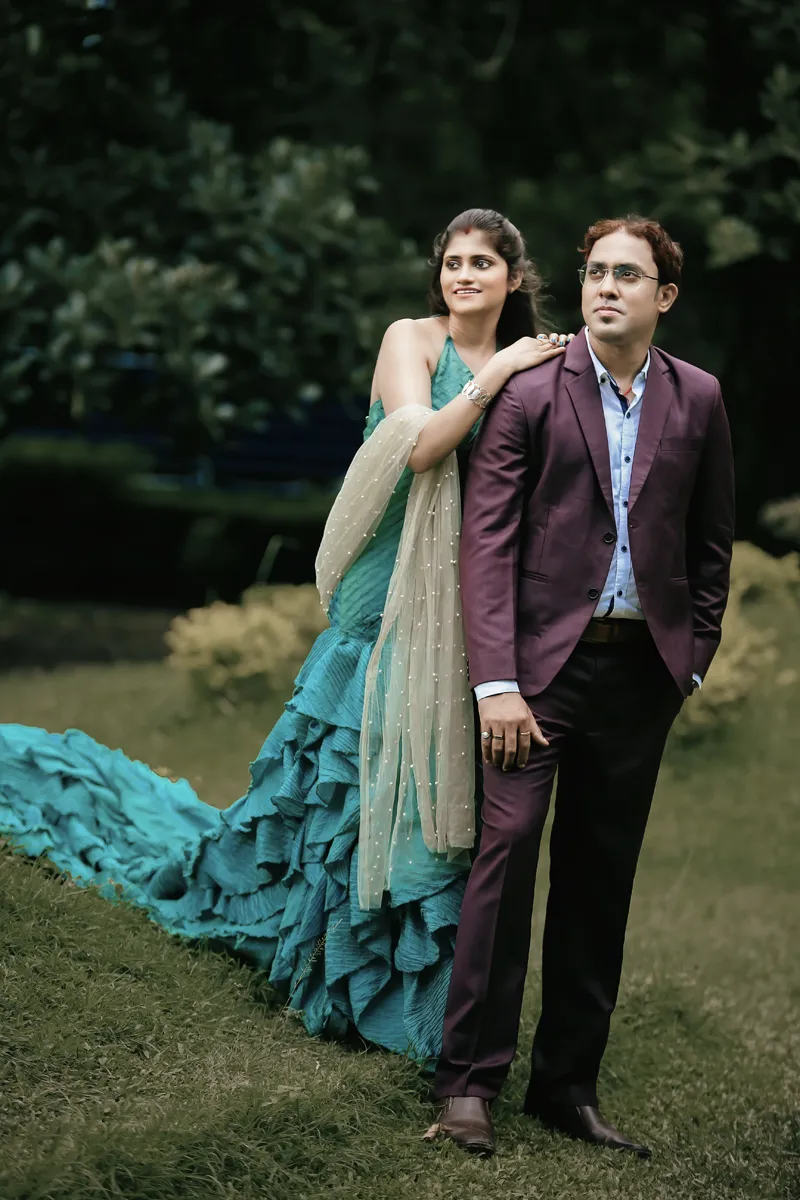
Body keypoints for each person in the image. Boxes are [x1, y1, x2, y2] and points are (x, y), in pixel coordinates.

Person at [0, 209, 570, 1063]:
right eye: (452, 262)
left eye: (481, 263)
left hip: (465, 594)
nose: (463, 276)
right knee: (349, 758)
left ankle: (407, 963)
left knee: (425, 767)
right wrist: (502, 372)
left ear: (513, 277)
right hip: (389, 580)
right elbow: (417, 445)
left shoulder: (531, 364)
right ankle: (317, 936)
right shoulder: (413, 340)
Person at [428, 214, 735, 1158]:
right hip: (533, 680)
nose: (605, 286)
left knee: (601, 881)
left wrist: (689, 659)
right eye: (596, 271)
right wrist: (496, 685)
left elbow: (711, 543)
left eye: (627, 275)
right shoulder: (530, 391)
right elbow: (487, 543)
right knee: (506, 862)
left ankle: (566, 1088)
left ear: (663, 296)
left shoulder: (699, 397)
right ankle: (469, 1085)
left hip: (640, 677)